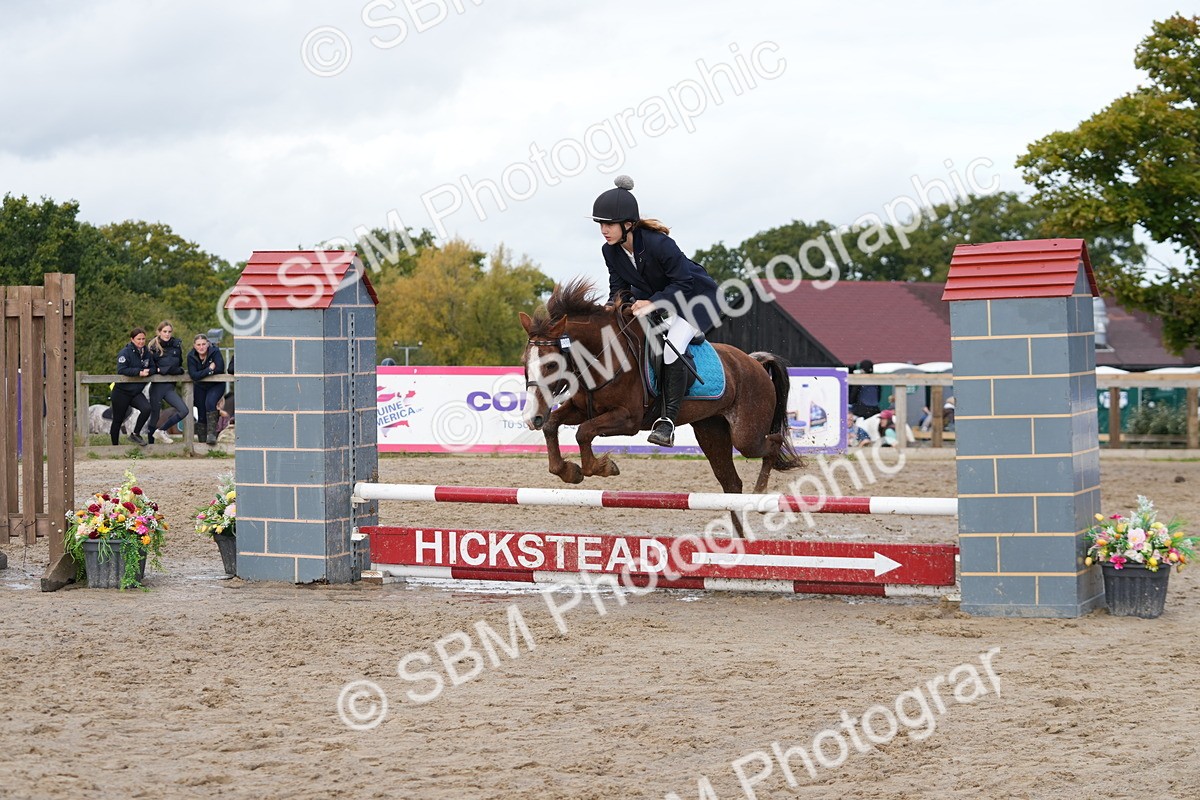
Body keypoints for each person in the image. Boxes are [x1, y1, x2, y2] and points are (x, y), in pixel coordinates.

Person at [593, 175, 720, 447]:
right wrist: (608, 309)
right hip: (659, 299)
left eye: (608, 224)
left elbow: (684, 282)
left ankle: (667, 421)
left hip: (695, 301)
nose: (603, 229)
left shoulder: (658, 243)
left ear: (628, 224)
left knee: (672, 345)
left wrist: (652, 303)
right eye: (600, 224)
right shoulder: (610, 250)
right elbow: (619, 286)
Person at [145, 320, 188, 444]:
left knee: (184, 410)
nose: (167, 334)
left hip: (169, 387)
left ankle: (162, 430)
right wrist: (166, 370)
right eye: (164, 331)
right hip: (157, 387)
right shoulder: (152, 347)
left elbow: (179, 367)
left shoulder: (176, 346)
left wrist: (163, 370)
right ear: (159, 332)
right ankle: (150, 445)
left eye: (169, 331)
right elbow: (152, 369)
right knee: (155, 417)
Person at [111, 328, 153, 446]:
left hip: (135, 392)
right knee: (118, 420)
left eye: (143, 339)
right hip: (121, 392)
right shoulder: (125, 352)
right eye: (138, 339)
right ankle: (114, 447)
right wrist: (139, 372)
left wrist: (149, 371)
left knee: (146, 409)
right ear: (132, 339)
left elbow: (153, 367)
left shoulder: (147, 353)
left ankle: (135, 434)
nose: (141, 341)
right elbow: (121, 369)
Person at [188, 333, 226, 446]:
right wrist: (209, 369)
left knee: (210, 403)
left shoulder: (215, 352)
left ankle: (211, 435)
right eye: (198, 344)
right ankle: (201, 440)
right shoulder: (191, 356)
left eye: (204, 344)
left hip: (216, 384)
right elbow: (193, 375)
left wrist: (202, 373)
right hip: (200, 386)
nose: (201, 347)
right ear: (194, 346)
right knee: (201, 411)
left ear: (208, 344)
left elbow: (219, 369)